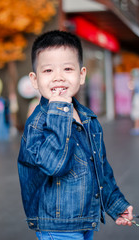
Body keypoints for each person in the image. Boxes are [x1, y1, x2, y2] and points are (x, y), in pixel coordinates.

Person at [17, 30, 133, 240]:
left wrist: (116, 205)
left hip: (85, 219)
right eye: (48, 70)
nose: (58, 77)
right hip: (57, 226)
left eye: (68, 69)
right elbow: (54, 165)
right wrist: (59, 112)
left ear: (81, 75)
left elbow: (100, 168)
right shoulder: (37, 123)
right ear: (34, 79)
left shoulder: (88, 117)